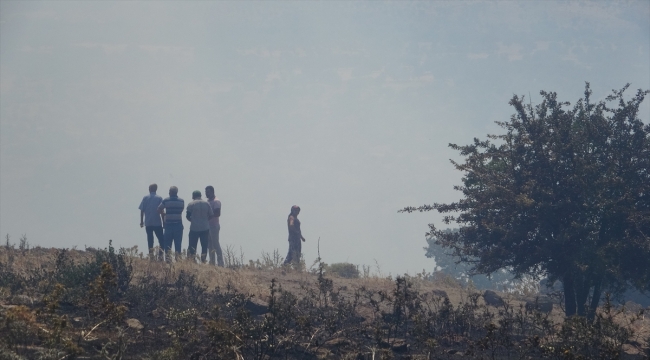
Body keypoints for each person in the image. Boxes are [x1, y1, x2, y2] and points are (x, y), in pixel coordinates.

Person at [158, 186, 185, 262]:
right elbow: (181, 210)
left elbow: (159, 209)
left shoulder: (166, 200)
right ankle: (178, 259)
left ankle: (168, 260)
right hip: (178, 224)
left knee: (167, 244)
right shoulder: (181, 201)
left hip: (169, 224)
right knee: (178, 243)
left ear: (171, 192)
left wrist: (164, 214)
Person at [186, 190, 213, 263]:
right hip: (205, 227)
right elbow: (211, 215)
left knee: (192, 245)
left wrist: (194, 221)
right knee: (204, 245)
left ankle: (192, 260)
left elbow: (188, 216)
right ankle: (203, 260)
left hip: (194, 228)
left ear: (193, 196)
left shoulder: (191, 204)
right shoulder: (207, 203)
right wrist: (205, 221)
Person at [139, 184, 164, 261]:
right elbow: (162, 211)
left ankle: (151, 257)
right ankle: (160, 256)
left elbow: (142, 210)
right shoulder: (159, 198)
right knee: (161, 240)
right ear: (156, 189)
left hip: (148, 222)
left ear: (149, 189)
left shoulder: (145, 198)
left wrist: (141, 221)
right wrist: (164, 222)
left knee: (150, 240)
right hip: (157, 222)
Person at [205, 185, 224, 267]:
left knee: (215, 244)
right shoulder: (208, 201)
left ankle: (220, 262)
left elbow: (217, 213)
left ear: (212, 192)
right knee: (210, 245)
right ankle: (212, 263)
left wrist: (209, 216)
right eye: (206, 192)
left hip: (214, 226)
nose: (207, 194)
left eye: (208, 192)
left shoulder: (216, 201)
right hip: (208, 226)